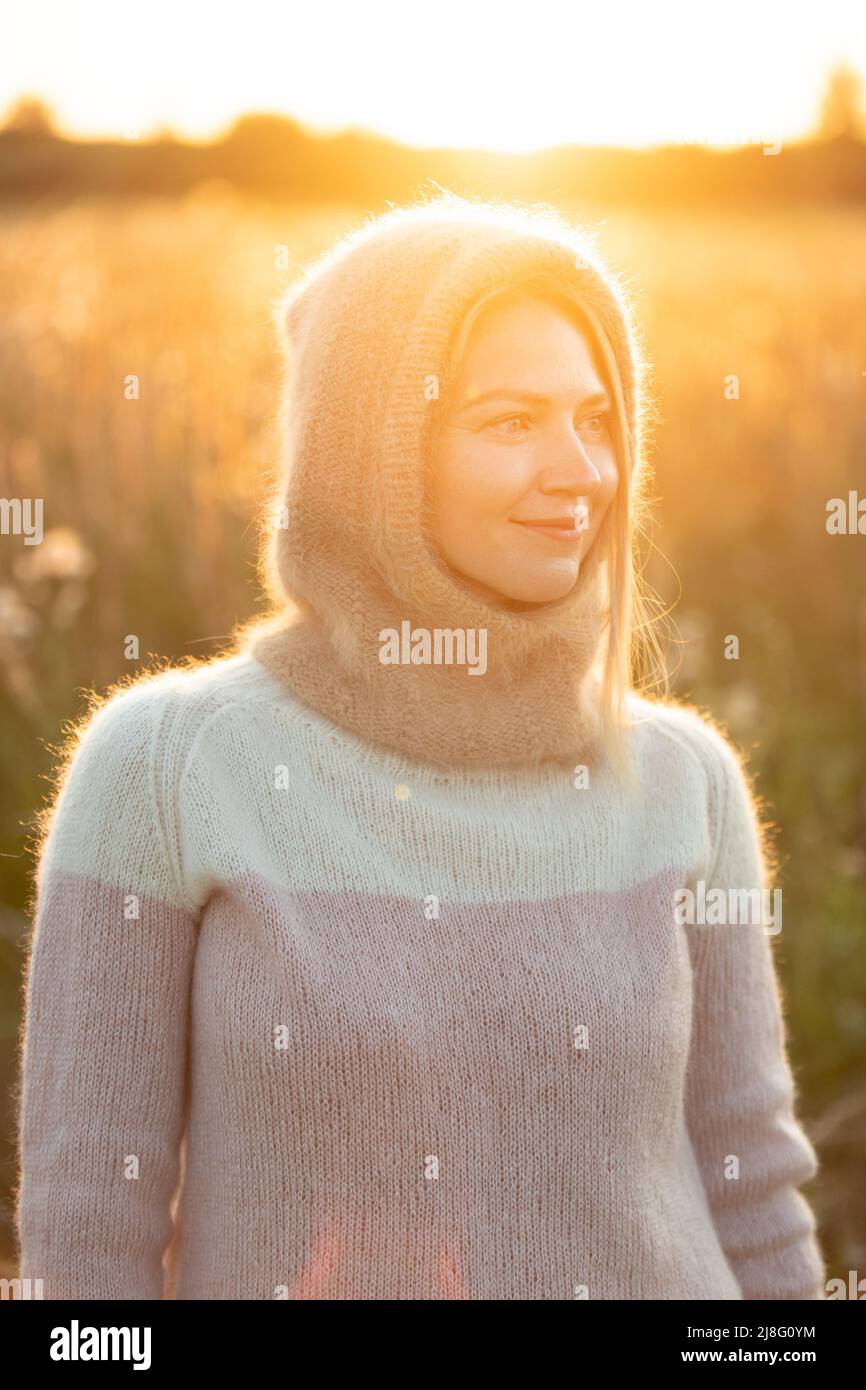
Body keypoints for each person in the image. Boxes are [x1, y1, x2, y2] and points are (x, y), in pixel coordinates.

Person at [15, 192, 826, 1299]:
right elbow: (87, 1230)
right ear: (370, 452)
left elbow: (751, 1184)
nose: (580, 471)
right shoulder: (164, 769)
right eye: (510, 421)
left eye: (597, 418)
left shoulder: (683, 780)